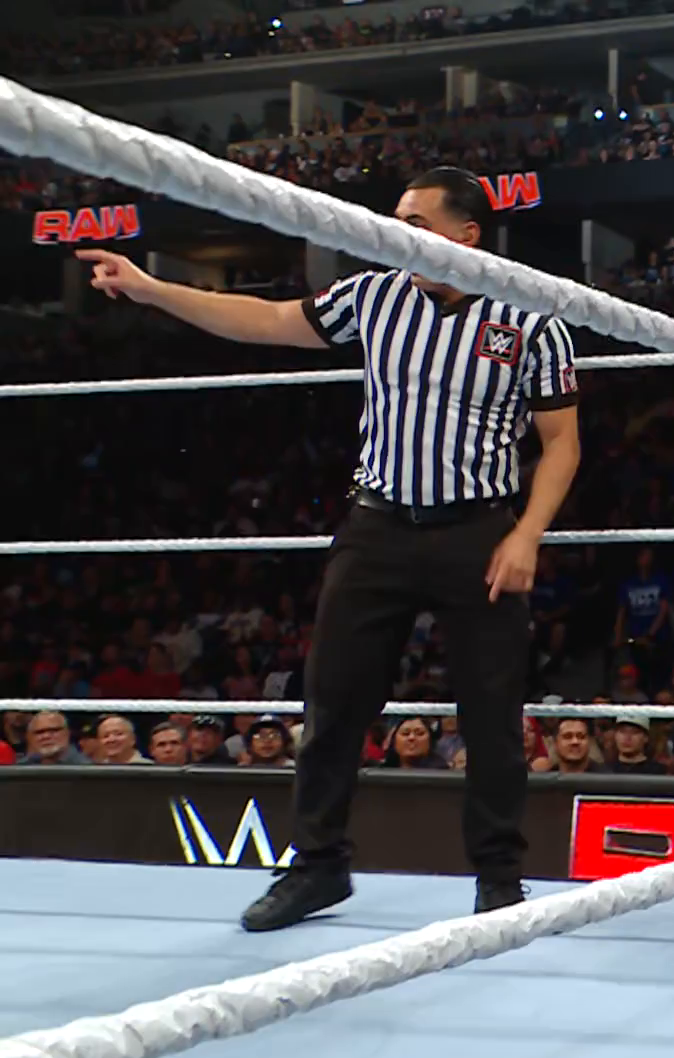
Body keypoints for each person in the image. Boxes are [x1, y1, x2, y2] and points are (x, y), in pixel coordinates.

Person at [78, 165, 582, 933]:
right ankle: (317, 865)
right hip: (377, 526)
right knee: (333, 699)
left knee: (490, 713)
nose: (394, 232)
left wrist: (526, 534)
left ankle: (498, 881)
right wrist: (152, 290)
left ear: (466, 234)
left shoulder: (532, 318)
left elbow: (561, 442)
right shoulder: (374, 295)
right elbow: (265, 320)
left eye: (414, 222)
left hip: (479, 531)